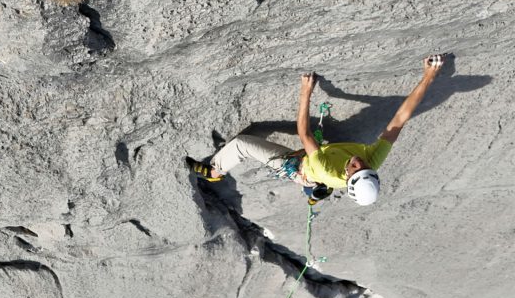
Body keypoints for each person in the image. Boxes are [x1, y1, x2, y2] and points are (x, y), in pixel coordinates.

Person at [188, 55, 446, 206]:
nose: (358, 161)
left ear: (347, 177)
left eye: (355, 168)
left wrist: (305, 93)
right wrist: (428, 77)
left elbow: (305, 134)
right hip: (320, 166)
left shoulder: (326, 168)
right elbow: (400, 119)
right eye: (364, 166)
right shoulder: (373, 160)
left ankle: (214, 171)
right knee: (317, 182)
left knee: (243, 144)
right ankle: (316, 192)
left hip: (299, 167)